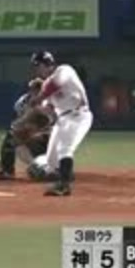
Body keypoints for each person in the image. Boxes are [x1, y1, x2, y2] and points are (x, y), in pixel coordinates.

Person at [26, 51, 94, 196]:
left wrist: (37, 98)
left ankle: (64, 186)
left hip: (78, 116)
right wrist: (35, 107)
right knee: (51, 161)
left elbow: (54, 85)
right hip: (62, 119)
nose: (36, 70)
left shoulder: (64, 70)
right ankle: (65, 173)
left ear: (47, 64)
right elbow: (48, 109)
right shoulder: (45, 85)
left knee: (65, 149)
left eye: (38, 66)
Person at [0, 79, 53, 180]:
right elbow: (19, 125)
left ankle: (46, 167)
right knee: (12, 139)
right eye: (34, 88)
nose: (36, 91)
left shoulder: (51, 102)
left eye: (39, 88)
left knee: (14, 136)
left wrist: (39, 134)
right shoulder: (23, 102)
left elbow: (55, 126)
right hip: (34, 140)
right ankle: (12, 168)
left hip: (49, 140)